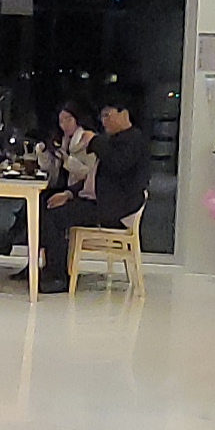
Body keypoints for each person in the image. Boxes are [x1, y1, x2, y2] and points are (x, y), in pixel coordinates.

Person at [39, 92, 148, 292]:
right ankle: (44, 267)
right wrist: (69, 193)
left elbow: (117, 164)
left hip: (114, 207)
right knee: (45, 202)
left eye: (108, 115)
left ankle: (58, 276)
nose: (104, 121)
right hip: (99, 200)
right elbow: (92, 178)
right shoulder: (112, 141)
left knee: (56, 217)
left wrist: (95, 141)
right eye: (102, 116)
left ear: (124, 114)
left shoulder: (133, 141)